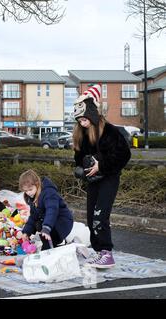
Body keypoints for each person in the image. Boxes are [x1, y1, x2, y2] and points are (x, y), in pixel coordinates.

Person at [73, 84, 131, 269]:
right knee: (91, 217)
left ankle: (107, 253)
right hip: (93, 180)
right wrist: (83, 166)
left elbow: (124, 154)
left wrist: (102, 165)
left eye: (84, 119)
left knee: (100, 215)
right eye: (79, 120)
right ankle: (99, 252)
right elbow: (79, 158)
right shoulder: (82, 133)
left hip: (109, 177)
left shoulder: (110, 131)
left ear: (91, 114)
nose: (82, 123)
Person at [20, 169, 73, 251]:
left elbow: (52, 210)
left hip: (62, 222)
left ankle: (59, 242)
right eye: (26, 191)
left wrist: (47, 228)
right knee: (38, 224)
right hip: (50, 221)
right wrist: (26, 232)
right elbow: (33, 216)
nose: (28, 193)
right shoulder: (33, 197)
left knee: (42, 226)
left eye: (30, 189)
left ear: (37, 184)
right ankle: (49, 244)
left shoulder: (49, 192)